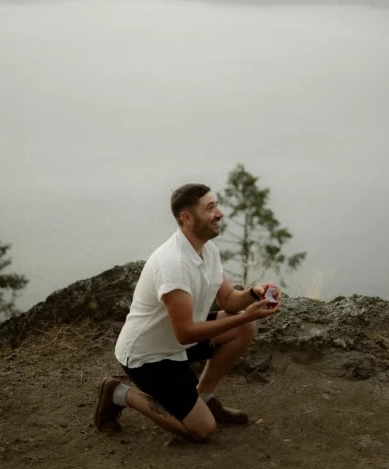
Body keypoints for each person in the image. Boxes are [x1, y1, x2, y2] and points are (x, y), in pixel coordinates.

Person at [94, 183, 281, 442]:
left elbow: (228, 299)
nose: (220, 213)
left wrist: (253, 293)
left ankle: (203, 398)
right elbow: (185, 333)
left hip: (177, 342)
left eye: (216, 205)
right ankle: (118, 393)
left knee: (242, 329)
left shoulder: (207, 249)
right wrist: (247, 315)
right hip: (149, 356)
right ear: (187, 218)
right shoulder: (173, 264)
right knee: (202, 429)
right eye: (211, 208)